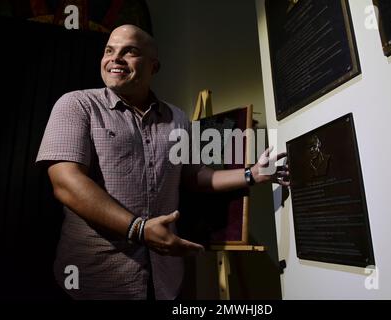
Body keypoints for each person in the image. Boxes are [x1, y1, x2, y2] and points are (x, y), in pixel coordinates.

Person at [36, 24, 289, 300]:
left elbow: (195, 176)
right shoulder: (77, 105)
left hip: (163, 282)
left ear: (154, 66)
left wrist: (252, 174)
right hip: (94, 280)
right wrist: (140, 230)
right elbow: (65, 182)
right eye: (109, 51)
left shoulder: (177, 118)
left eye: (129, 51)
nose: (115, 58)